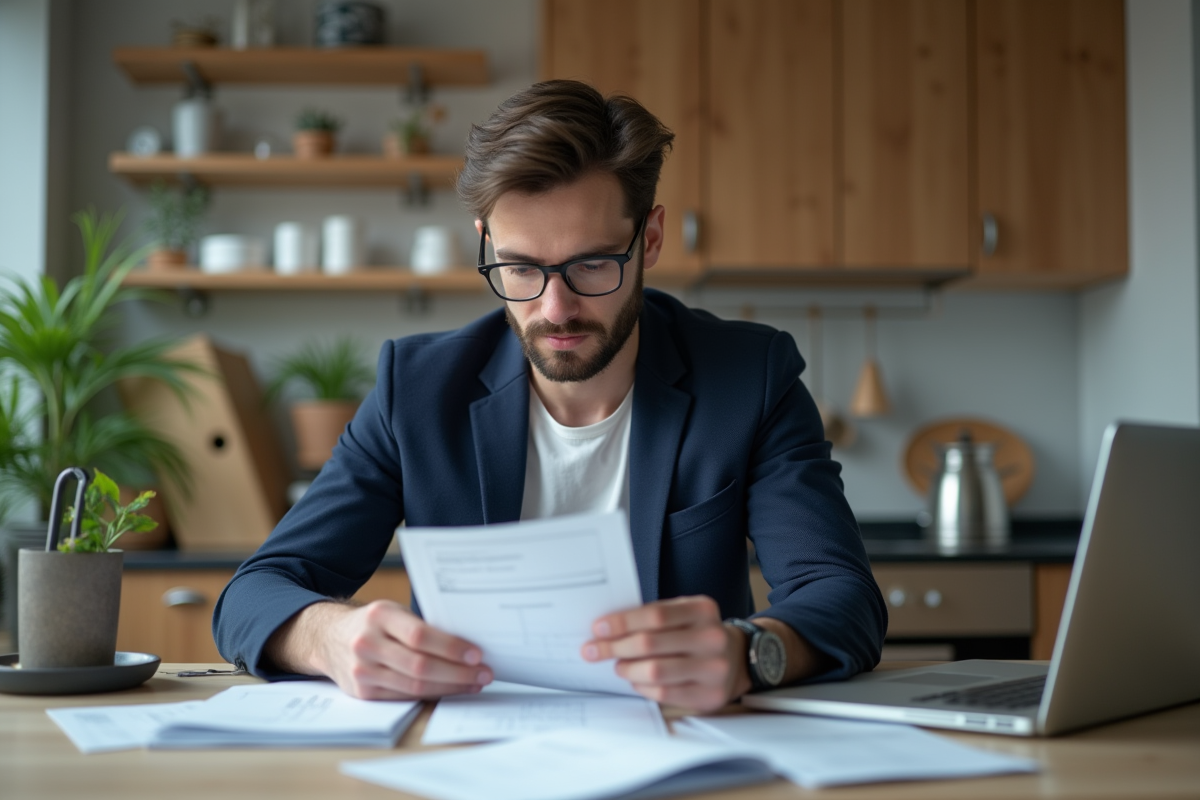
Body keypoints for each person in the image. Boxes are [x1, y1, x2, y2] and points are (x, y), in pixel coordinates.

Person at [213, 80, 886, 713]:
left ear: (648, 239)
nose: (555, 308)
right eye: (520, 268)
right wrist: (328, 637)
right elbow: (253, 594)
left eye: (593, 263)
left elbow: (843, 596)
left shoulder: (749, 377)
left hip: (683, 746)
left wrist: (750, 652)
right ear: (486, 245)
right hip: (461, 754)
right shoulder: (415, 390)